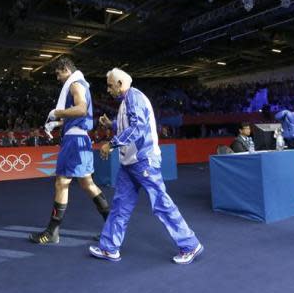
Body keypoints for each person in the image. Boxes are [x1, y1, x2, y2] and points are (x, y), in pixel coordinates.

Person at [89, 68, 203, 264]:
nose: (107, 90)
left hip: (143, 162)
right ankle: (109, 248)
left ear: (120, 84)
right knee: (120, 207)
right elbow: (128, 126)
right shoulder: (126, 102)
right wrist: (112, 124)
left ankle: (190, 244)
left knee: (161, 204)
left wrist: (112, 143)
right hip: (129, 164)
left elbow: (138, 128)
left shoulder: (135, 98)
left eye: (110, 85)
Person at [29, 57, 110, 244]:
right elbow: (78, 115)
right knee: (87, 184)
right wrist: (56, 123)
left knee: (61, 183)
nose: (58, 78)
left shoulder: (75, 84)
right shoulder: (80, 84)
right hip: (81, 139)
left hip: (74, 142)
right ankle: (112, 225)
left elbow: (81, 109)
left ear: (66, 69)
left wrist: (57, 113)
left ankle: (52, 232)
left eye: (58, 73)